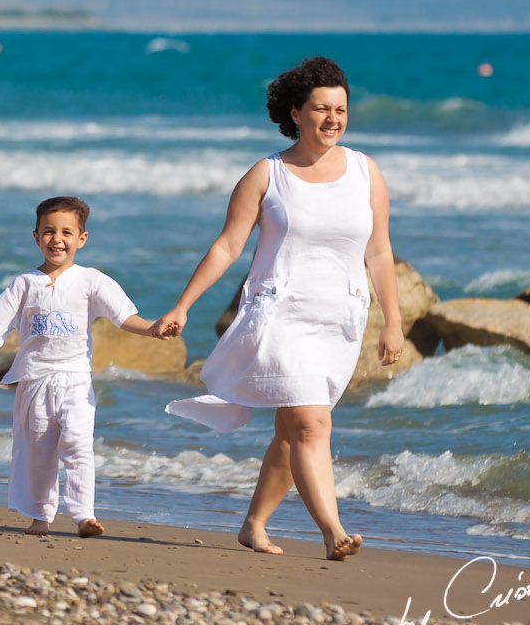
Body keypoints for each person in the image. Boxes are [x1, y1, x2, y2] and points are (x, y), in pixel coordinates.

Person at [152, 57, 403, 560]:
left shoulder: (364, 170)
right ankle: (333, 531)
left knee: (292, 435)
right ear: (296, 112)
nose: (332, 119)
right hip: (280, 317)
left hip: (340, 320)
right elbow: (226, 247)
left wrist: (393, 322)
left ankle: (253, 525)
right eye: (320, 109)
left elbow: (379, 250)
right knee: (312, 424)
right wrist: (183, 305)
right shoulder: (267, 175)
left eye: (341, 109)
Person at [0, 196, 166, 538]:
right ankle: (40, 517)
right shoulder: (24, 283)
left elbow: (124, 317)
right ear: (36, 236)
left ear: (82, 239)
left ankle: (84, 515)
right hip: (35, 382)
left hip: (75, 381)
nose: (58, 239)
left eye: (67, 232)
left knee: (78, 444)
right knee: (39, 455)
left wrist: (154, 329)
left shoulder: (91, 280)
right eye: (49, 231)